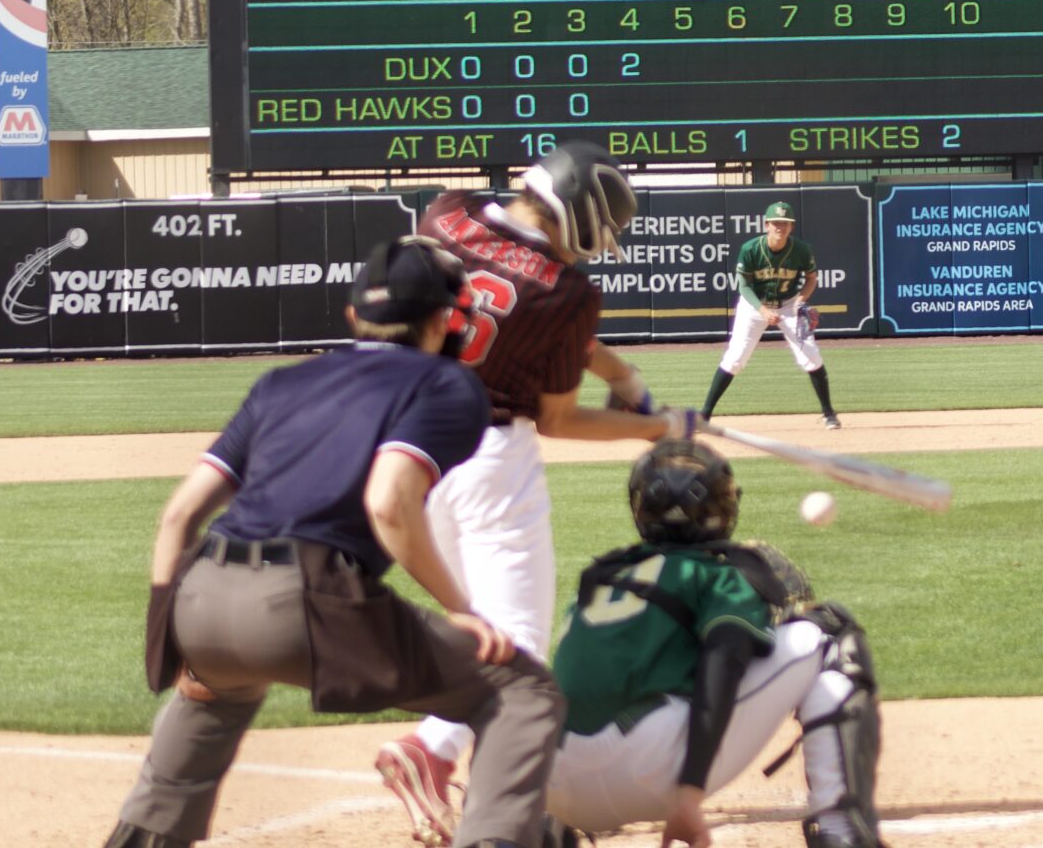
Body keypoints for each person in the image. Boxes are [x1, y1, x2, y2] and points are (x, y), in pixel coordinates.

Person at [102, 239, 564, 848]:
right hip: (305, 597)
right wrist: (462, 609)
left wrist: (170, 640)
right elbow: (388, 502)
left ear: (354, 317)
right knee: (522, 692)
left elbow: (179, 516)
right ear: (445, 321)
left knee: (211, 697)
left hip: (202, 593)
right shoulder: (447, 383)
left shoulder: (279, 383)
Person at [373, 144, 698, 847]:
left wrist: (620, 369)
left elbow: (519, 309)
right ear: (581, 212)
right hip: (491, 455)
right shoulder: (567, 290)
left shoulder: (446, 214)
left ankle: (475, 763)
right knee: (516, 643)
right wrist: (655, 425)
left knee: (481, 630)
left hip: (406, 452)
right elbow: (558, 416)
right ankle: (433, 751)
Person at [543, 437, 882, 848]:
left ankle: (545, 831)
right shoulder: (719, 575)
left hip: (554, 786)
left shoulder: (600, 576)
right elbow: (721, 668)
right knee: (831, 632)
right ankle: (840, 831)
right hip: (652, 775)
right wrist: (689, 790)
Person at [702, 202, 840, 429]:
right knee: (735, 358)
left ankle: (829, 413)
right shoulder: (750, 249)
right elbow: (743, 286)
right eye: (776, 222)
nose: (780, 227)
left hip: (788, 306)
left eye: (785, 223)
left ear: (791, 227)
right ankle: (705, 415)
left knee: (812, 356)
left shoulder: (802, 250)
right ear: (766, 225)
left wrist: (800, 299)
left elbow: (812, 279)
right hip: (754, 306)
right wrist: (763, 311)